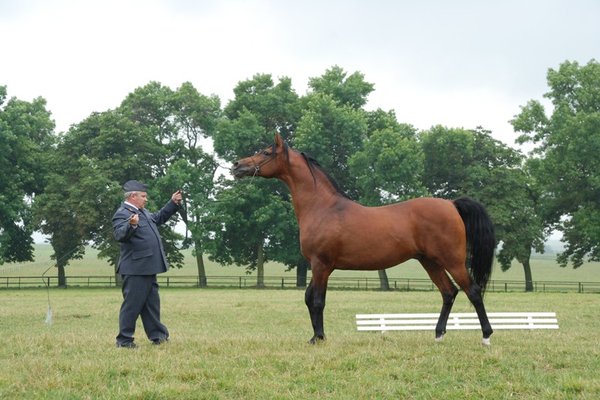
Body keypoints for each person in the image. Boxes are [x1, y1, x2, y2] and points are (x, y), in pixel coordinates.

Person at [112, 180, 183, 348]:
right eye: (143, 196)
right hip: (136, 268)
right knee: (132, 306)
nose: (146, 199)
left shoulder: (142, 212)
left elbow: (158, 218)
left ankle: (159, 337)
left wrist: (172, 203)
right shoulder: (122, 213)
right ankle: (124, 340)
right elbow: (120, 235)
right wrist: (131, 225)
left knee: (151, 305)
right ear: (133, 196)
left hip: (149, 267)